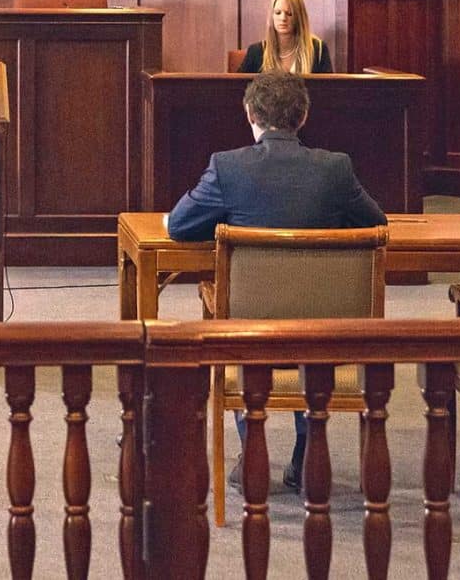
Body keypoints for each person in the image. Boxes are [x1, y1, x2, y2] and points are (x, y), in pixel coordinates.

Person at [165, 71, 387, 492]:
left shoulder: (227, 168)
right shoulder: (335, 169)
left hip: (252, 335)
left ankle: (253, 450)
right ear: (302, 117)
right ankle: (306, 452)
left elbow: (179, 225)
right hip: (323, 333)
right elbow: (376, 226)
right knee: (303, 319)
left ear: (249, 114)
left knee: (231, 318)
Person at [235, 0, 334, 73]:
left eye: (289, 13)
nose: (283, 18)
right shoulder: (256, 51)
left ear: (299, 17)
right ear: (272, 16)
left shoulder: (318, 50)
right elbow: (236, 88)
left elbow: (329, 91)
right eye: (278, 13)